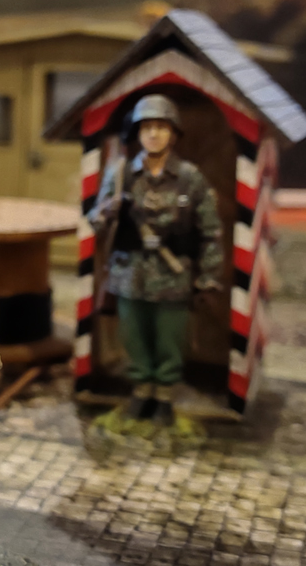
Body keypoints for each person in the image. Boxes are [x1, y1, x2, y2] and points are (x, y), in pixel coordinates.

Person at [88, 94, 223, 426]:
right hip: (130, 273)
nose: (153, 134)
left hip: (172, 276)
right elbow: (96, 222)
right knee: (134, 337)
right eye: (147, 127)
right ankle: (141, 390)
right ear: (138, 133)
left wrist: (208, 276)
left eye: (161, 127)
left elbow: (211, 231)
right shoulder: (121, 174)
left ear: (173, 134)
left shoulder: (189, 178)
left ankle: (163, 394)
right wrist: (109, 209)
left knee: (168, 340)